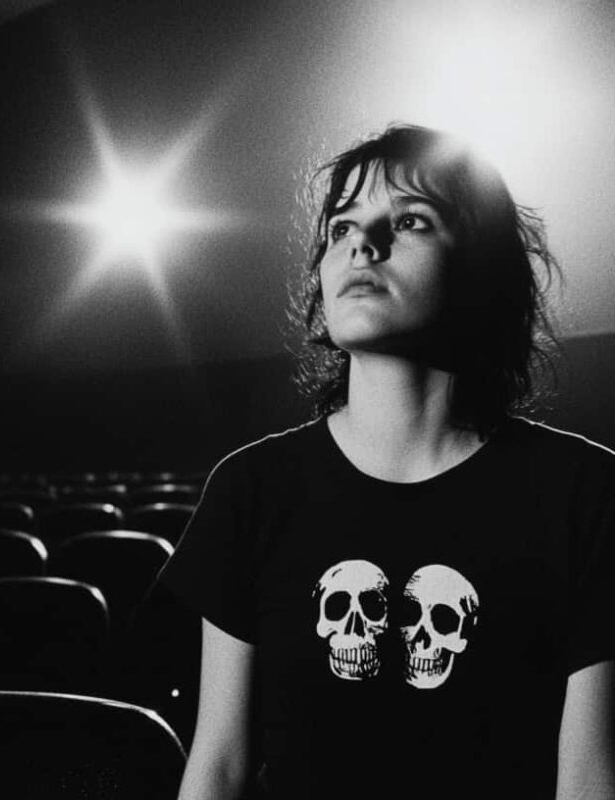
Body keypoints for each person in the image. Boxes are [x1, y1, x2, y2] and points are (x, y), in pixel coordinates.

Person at [158, 124, 615, 799]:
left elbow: (587, 779)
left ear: (481, 264)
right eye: (341, 228)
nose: (361, 245)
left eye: (410, 220)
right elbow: (219, 765)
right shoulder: (249, 489)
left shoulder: (589, 493)